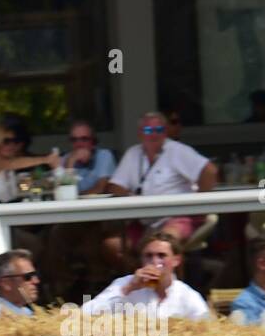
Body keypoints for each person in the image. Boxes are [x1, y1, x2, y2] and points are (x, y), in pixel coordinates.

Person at [106, 112, 218, 244]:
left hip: (175, 218)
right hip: (143, 222)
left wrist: (200, 206)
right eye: (148, 130)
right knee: (112, 246)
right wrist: (131, 199)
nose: (154, 134)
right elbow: (115, 186)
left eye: (158, 129)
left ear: (165, 132)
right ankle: (141, 265)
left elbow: (210, 171)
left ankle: (159, 262)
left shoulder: (177, 150)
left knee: (164, 243)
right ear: (140, 134)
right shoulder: (133, 153)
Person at [80, 230, 210, 321]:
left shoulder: (187, 295)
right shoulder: (124, 283)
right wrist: (128, 289)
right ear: (141, 260)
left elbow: (206, 329)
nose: (154, 262)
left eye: (161, 256)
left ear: (176, 260)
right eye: (149, 256)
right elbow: (84, 314)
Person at [0, 123, 60, 205]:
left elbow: (20, 190)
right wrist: (46, 159)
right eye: (6, 141)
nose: (12, 145)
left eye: (15, 141)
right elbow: (14, 163)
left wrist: (35, 184)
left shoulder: (8, 170)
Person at [0, 250, 41, 319]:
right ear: (6, 283)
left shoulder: (26, 312)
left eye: (35, 275)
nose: (36, 281)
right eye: (27, 276)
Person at [62, 120, 116, 194]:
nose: (79, 144)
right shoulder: (66, 159)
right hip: (72, 205)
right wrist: (70, 163)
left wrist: (77, 197)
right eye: (74, 140)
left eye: (84, 139)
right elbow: (65, 192)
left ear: (93, 141)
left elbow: (101, 188)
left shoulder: (104, 155)